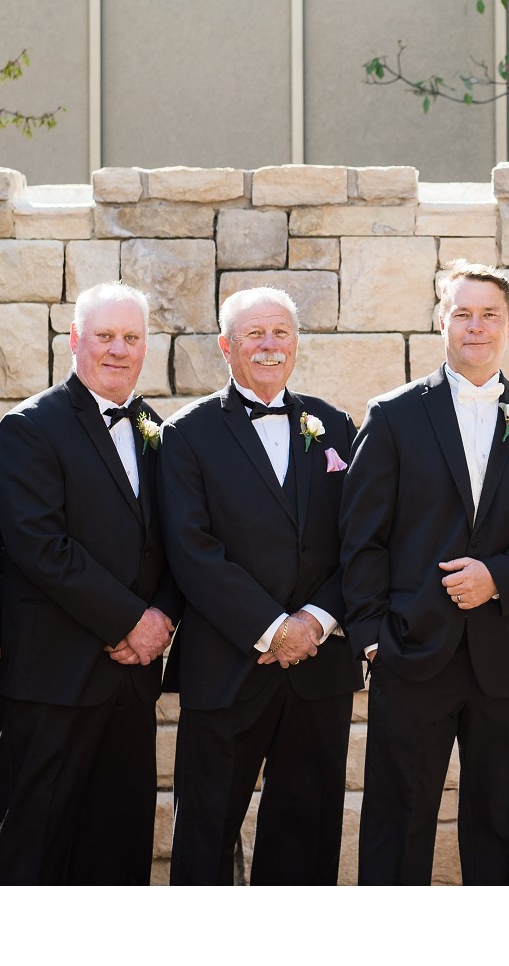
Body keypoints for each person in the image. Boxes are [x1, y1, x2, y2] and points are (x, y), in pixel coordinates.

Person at [338, 261, 509, 885]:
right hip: (411, 648)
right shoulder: (392, 415)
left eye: (489, 314)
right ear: (441, 321)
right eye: (462, 313)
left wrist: (499, 577)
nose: (476, 326)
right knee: (397, 820)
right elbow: (361, 537)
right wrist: (371, 638)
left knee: (504, 829)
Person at [158, 286, 360, 884]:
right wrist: (274, 629)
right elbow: (191, 549)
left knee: (308, 834)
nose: (269, 346)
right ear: (226, 347)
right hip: (227, 665)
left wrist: (315, 621)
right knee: (205, 834)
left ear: (295, 343)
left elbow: (362, 541)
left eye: (280, 333)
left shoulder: (335, 425)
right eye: (254, 334)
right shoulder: (186, 433)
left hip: (319, 667)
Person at [0, 282, 181, 885]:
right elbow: (40, 546)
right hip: (53, 679)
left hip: (131, 680)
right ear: (74, 340)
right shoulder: (31, 426)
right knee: (38, 850)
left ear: (145, 347)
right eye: (104, 336)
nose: (118, 349)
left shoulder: (156, 429)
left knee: (120, 851)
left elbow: (179, 541)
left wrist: (163, 618)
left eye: (131, 337)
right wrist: (131, 621)